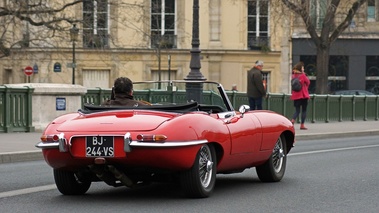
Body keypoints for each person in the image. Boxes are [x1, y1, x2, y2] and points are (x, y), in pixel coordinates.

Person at [290, 62, 310, 130]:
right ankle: (302, 125)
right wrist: (304, 74)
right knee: (304, 110)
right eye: (302, 68)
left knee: (297, 111)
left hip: (296, 96)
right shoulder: (302, 75)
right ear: (300, 69)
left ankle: (292, 120)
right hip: (303, 96)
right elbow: (308, 82)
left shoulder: (293, 75)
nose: (303, 69)